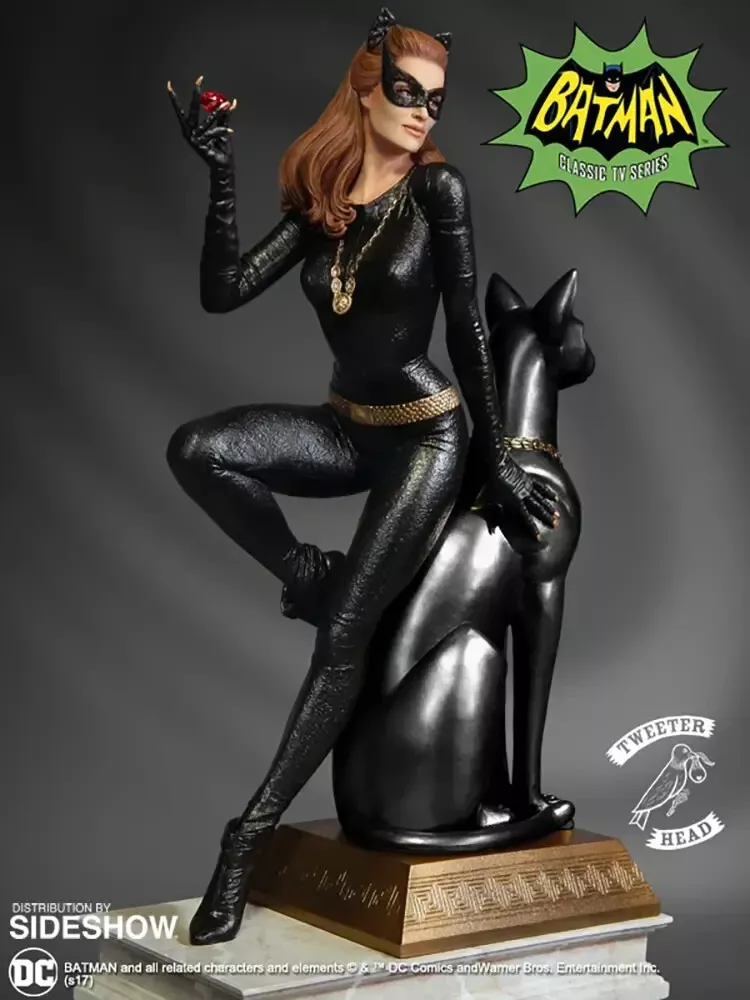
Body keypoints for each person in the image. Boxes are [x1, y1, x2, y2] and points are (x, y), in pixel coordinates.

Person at [166, 5, 558, 946]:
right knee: (199, 449)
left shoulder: (439, 192)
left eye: (435, 100)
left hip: (426, 440)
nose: (422, 112)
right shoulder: (327, 202)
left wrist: (499, 456)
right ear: (364, 91)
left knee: (342, 637)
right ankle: (311, 574)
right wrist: (221, 174)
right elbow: (223, 292)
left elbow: (466, 325)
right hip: (347, 430)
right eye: (406, 92)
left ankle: (246, 840)